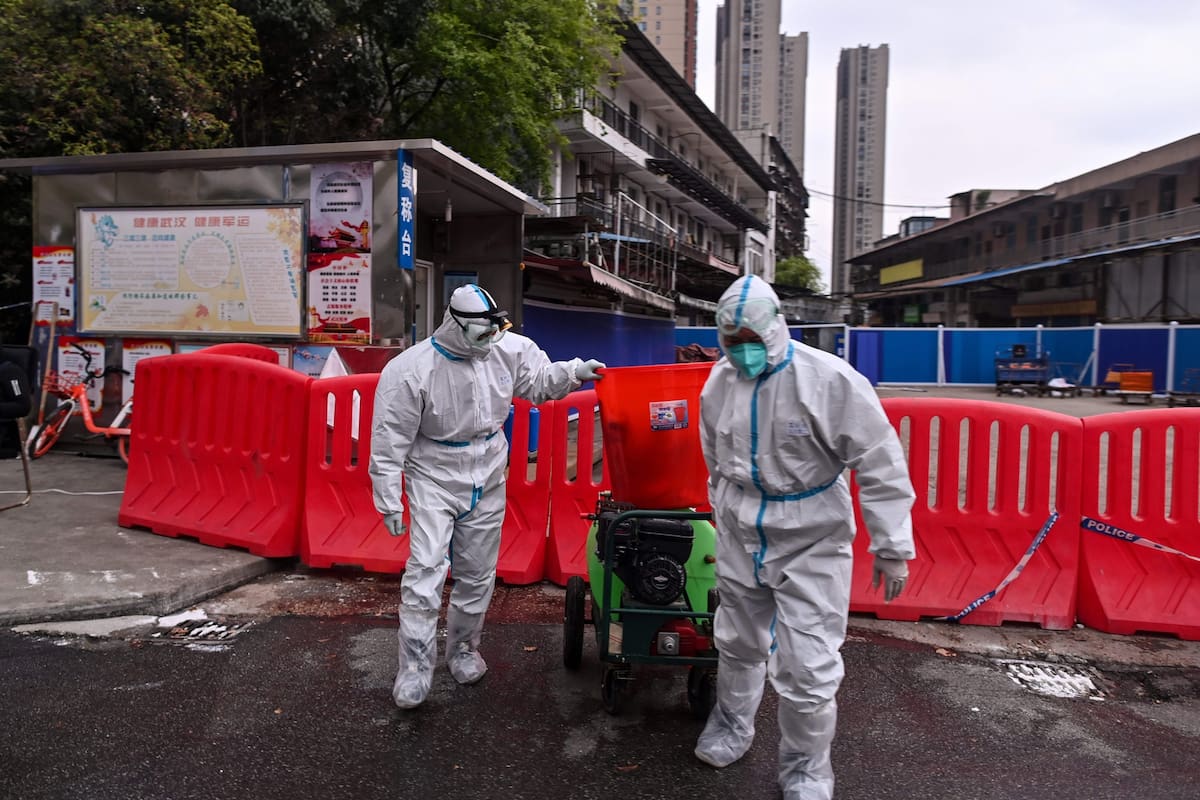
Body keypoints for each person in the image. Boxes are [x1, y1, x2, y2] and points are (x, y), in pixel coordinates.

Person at [694, 275, 916, 799]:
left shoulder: (828, 381)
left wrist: (892, 547)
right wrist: (722, 515)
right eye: (732, 342)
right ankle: (731, 727)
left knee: (808, 665)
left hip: (812, 535)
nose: (742, 352)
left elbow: (880, 462)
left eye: (751, 340)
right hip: (741, 531)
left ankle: (806, 770)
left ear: (776, 330)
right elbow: (714, 459)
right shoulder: (718, 383)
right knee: (737, 641)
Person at [369, 283, 605, 710]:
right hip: (433, 474)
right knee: (425, 571)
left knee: (478, 572)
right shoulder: (411, 370)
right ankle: (415, 666)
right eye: (480, 336)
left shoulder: (506, 348)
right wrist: (388, 496)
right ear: (455, 326)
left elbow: (536, 382)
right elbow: (389, 439)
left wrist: (573, 372)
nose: (488, 343)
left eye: (493, 333)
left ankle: (462, 649)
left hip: (489, 469)